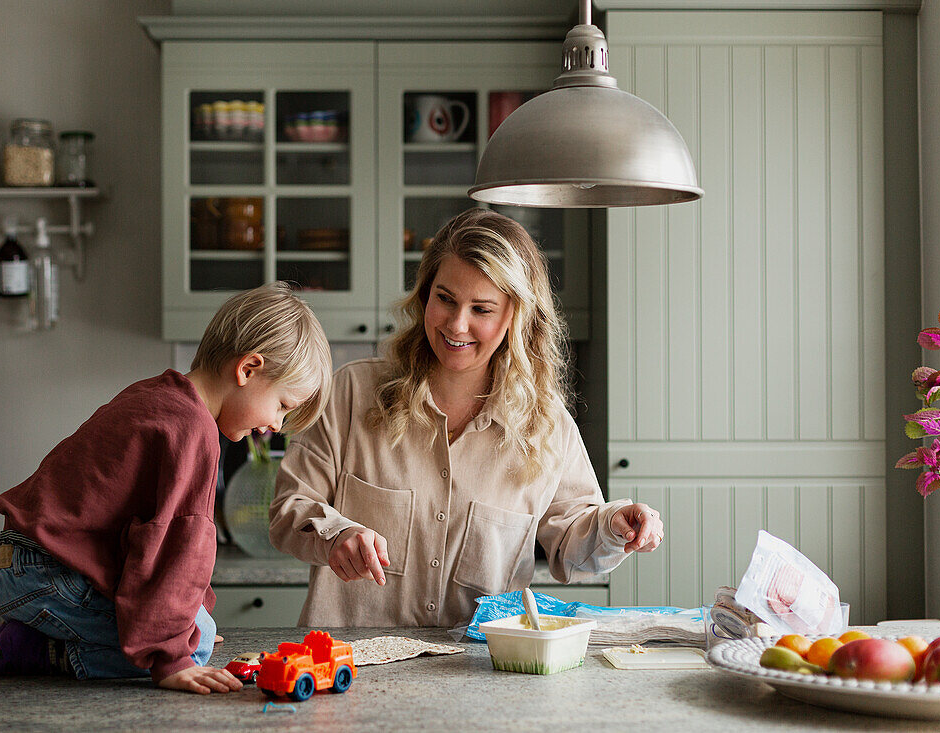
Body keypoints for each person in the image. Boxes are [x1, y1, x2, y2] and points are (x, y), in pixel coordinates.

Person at [270, 208, 665, 628]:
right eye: (445, 299)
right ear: (425, 294)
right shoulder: (351, 394)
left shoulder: (546, 427)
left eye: (482, 309)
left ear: (515, 315)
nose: (457, 324)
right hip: (349, 671)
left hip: (479, 677)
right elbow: (288, 509)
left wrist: (614, 526)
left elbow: (575, 548)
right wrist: (336, 536)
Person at [0, 282, 332, 694]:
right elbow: (175, 546)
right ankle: (33, 650)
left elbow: (148, 545)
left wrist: (189, 621)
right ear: (248, 369)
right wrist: (178, 652)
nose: (277, 426)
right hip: (46, 575)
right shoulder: (194, 432)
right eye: (283, 405)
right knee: (197, 648)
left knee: (194, 627)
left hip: (15, 562)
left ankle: (38, 637)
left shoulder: (158, 393)